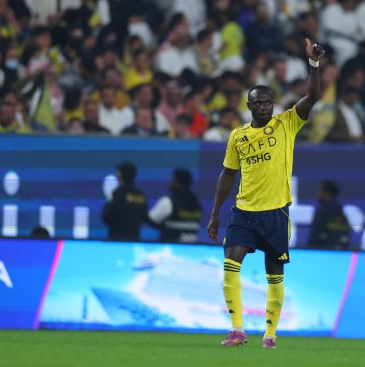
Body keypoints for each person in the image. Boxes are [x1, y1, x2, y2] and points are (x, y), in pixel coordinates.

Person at [207, 38, 325, 349]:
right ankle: (237, 330)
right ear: (248, 106)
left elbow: (313, 96)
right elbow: (227, 175)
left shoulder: (287, 123)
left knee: (275, 275)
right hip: (243, 212)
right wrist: (216, 212)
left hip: (276, 212)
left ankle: (269, 334)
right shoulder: (238, 136)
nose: (264, 106)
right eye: (258, 102)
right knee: (230, 263)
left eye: (268, 102)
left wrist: (313, 65)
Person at [147, 167, 203, 243]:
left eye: (172, 179)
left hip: (171, 250)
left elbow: (150, 219)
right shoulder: (197, 202)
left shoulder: (168, 201)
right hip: (191, 250)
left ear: (177, 182)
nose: (170, 182)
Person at [101, 161, 148, 241]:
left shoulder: (119, 193)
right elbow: (144, 217)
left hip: (117, 240)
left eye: (118, 172)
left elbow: (107, 216)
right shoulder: (141, 194)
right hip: (135, 238)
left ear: (120, 175)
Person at [309, 180, 352, 250]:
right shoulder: (342, 213)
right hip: (341, 256)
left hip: (320, 254)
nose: (317, 194)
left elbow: (314, 237)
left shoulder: (322, 212)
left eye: (320, 191)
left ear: (326, 193)